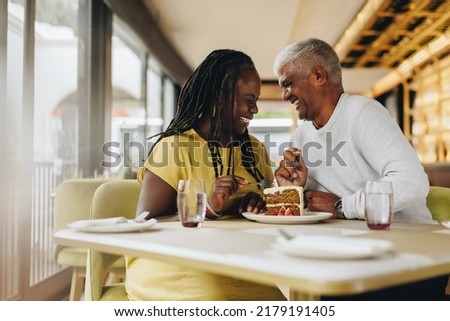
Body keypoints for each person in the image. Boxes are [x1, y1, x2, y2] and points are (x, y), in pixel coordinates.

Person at [272, 38, 447, 300]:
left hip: (404, 262)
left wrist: (342, 206)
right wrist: (295, 192)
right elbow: (316, 209)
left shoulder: (362, 113)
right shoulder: (301, 136)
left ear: (318, 75)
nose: (285, 95)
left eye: (288, 83)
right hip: (346, 261)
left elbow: (412, 183)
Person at [127, 49, 286, 301]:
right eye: (248, 99)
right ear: (219, 97)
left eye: (256, 99)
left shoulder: (254, 150)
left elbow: (271, 207)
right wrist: (207, 209)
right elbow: (145, 222)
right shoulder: (174, 147)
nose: (255, 109)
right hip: (172, 261)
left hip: (234, 262)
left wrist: (263, 204)